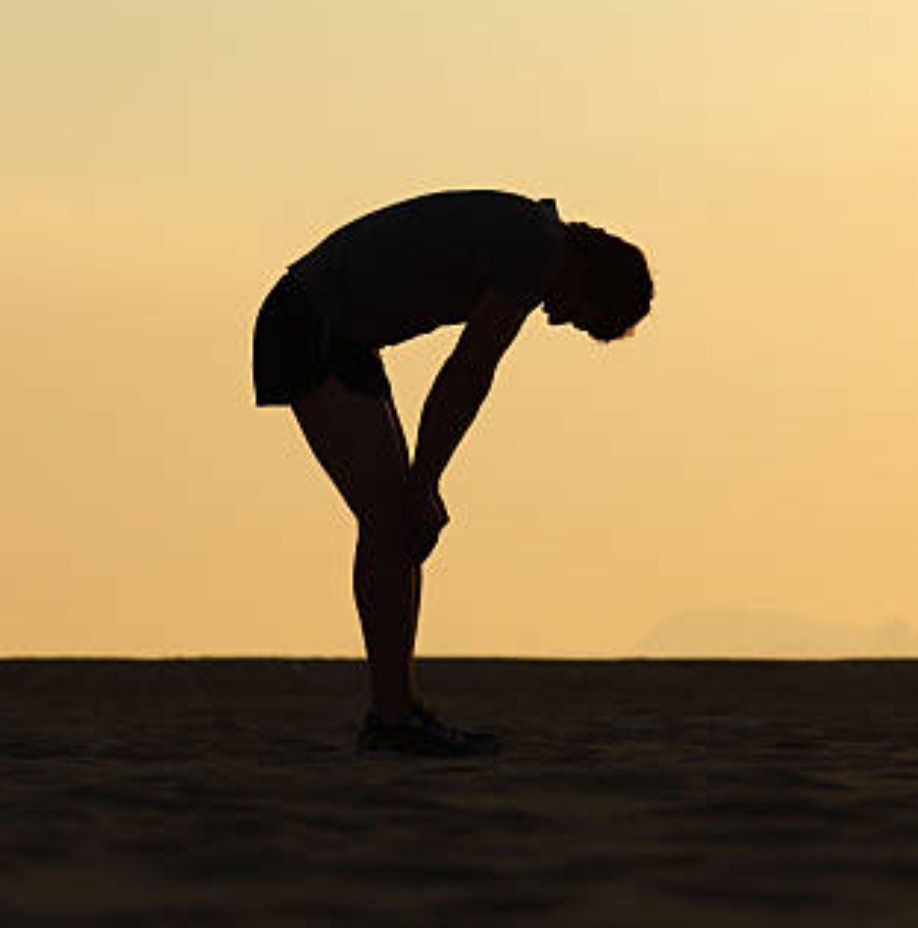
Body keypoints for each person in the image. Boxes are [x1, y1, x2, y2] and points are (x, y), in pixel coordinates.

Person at [252, 190, 653, 756]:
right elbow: (468, 374)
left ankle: (398, 709)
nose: (558, 318)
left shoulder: (535, 238)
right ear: (588, 269)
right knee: (392, 522)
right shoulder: (536, 249)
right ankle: (390, 718)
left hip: (342, 337)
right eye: (578, 314)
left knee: (400, 528)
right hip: (306, 324)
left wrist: (423, 484)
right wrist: (424, 482)